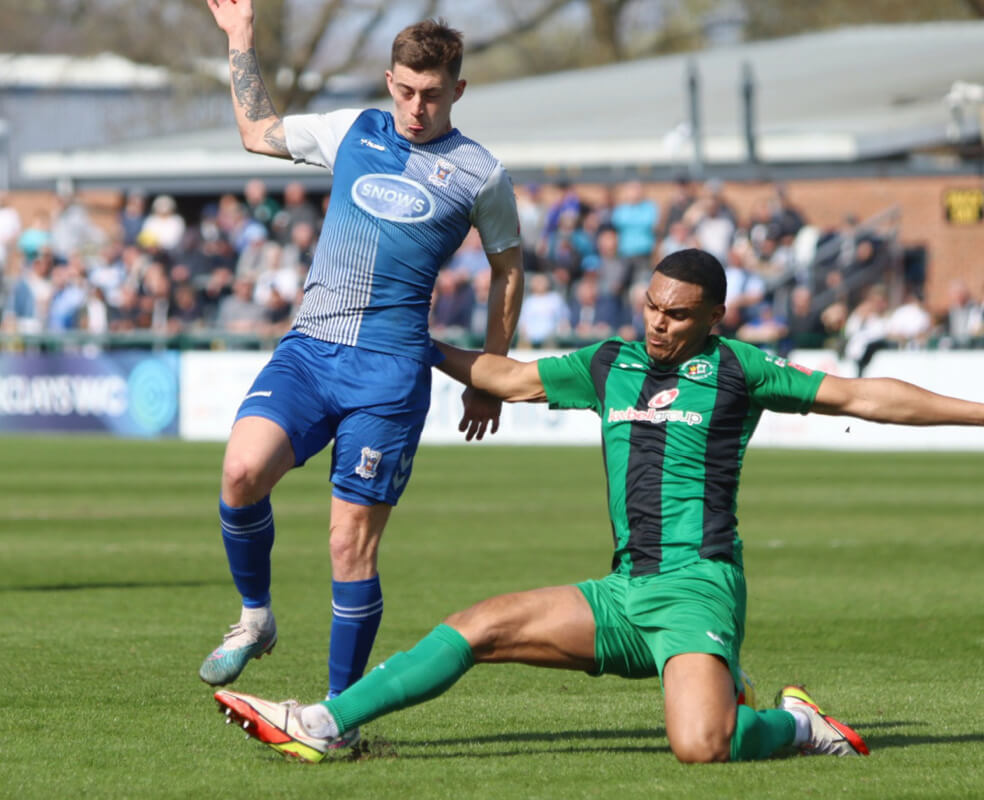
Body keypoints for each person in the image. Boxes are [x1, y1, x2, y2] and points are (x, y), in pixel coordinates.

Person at [213, 247, 984, 764]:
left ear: (713, 318)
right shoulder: (610, 363)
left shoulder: (740, 371)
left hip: (696, 588)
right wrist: (414, 345)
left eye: (677, 314)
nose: (657, 321)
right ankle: (320, 722)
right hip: (621, 592)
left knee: (701, 747)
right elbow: (510, 379)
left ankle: (799, 725)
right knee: (477, 624)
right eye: (652, 306)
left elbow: (866, 396)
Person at [201, 0, 525, 724]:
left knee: (349, 544)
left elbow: (508, 270)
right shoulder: (353, 129)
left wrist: (492, 376)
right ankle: (255, 617)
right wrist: (241, 39)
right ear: (389, 82)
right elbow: (257, 132)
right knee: (240, 471)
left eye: (433, 94)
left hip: (389, 373)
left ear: (458, 92)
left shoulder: (480, 173)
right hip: (311, 351)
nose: (416, 107)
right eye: (406, 91)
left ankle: (336, 715)